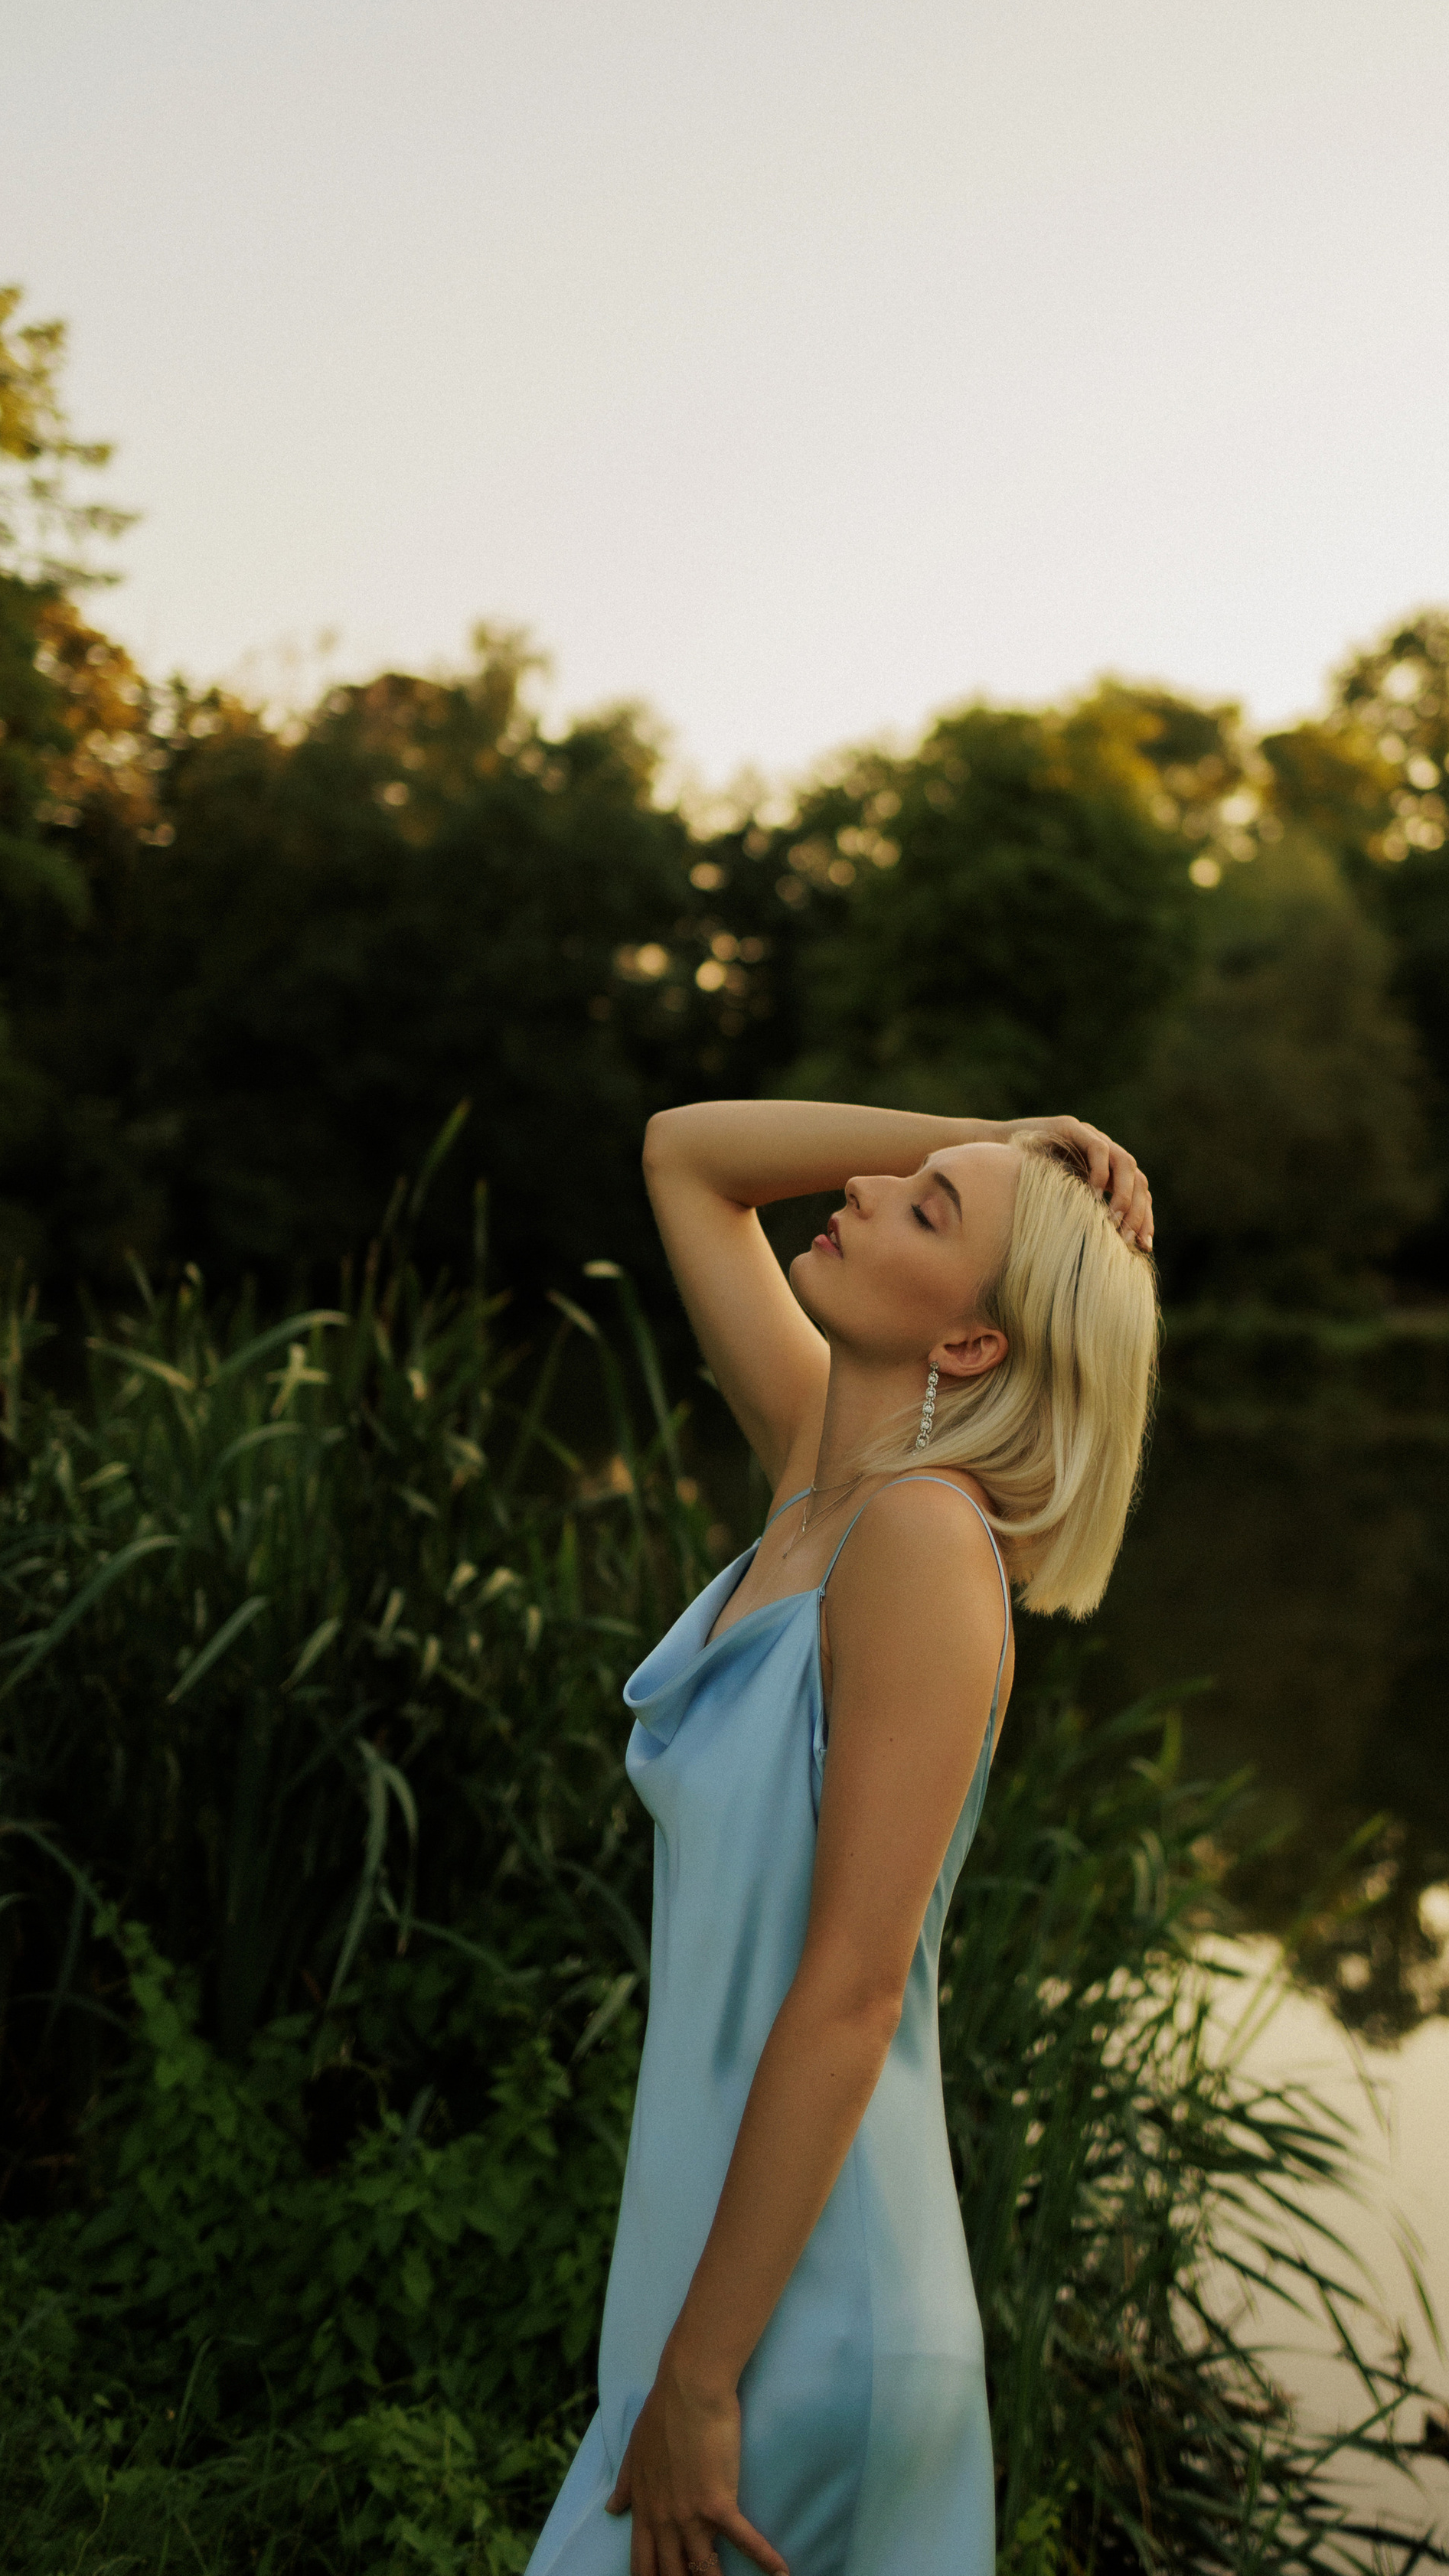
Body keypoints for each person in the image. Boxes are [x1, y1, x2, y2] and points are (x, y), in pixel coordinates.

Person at [524, 1100, 1159, 2576]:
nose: (867, 1188)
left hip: (808, 2324)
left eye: (926, 1208)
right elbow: (686, 1155)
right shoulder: (821, 1482)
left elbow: (857, 1991)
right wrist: (1002, 1138)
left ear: (973, 1343)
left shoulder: (924, 1545)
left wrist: (701, 2378)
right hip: (719, 2282)